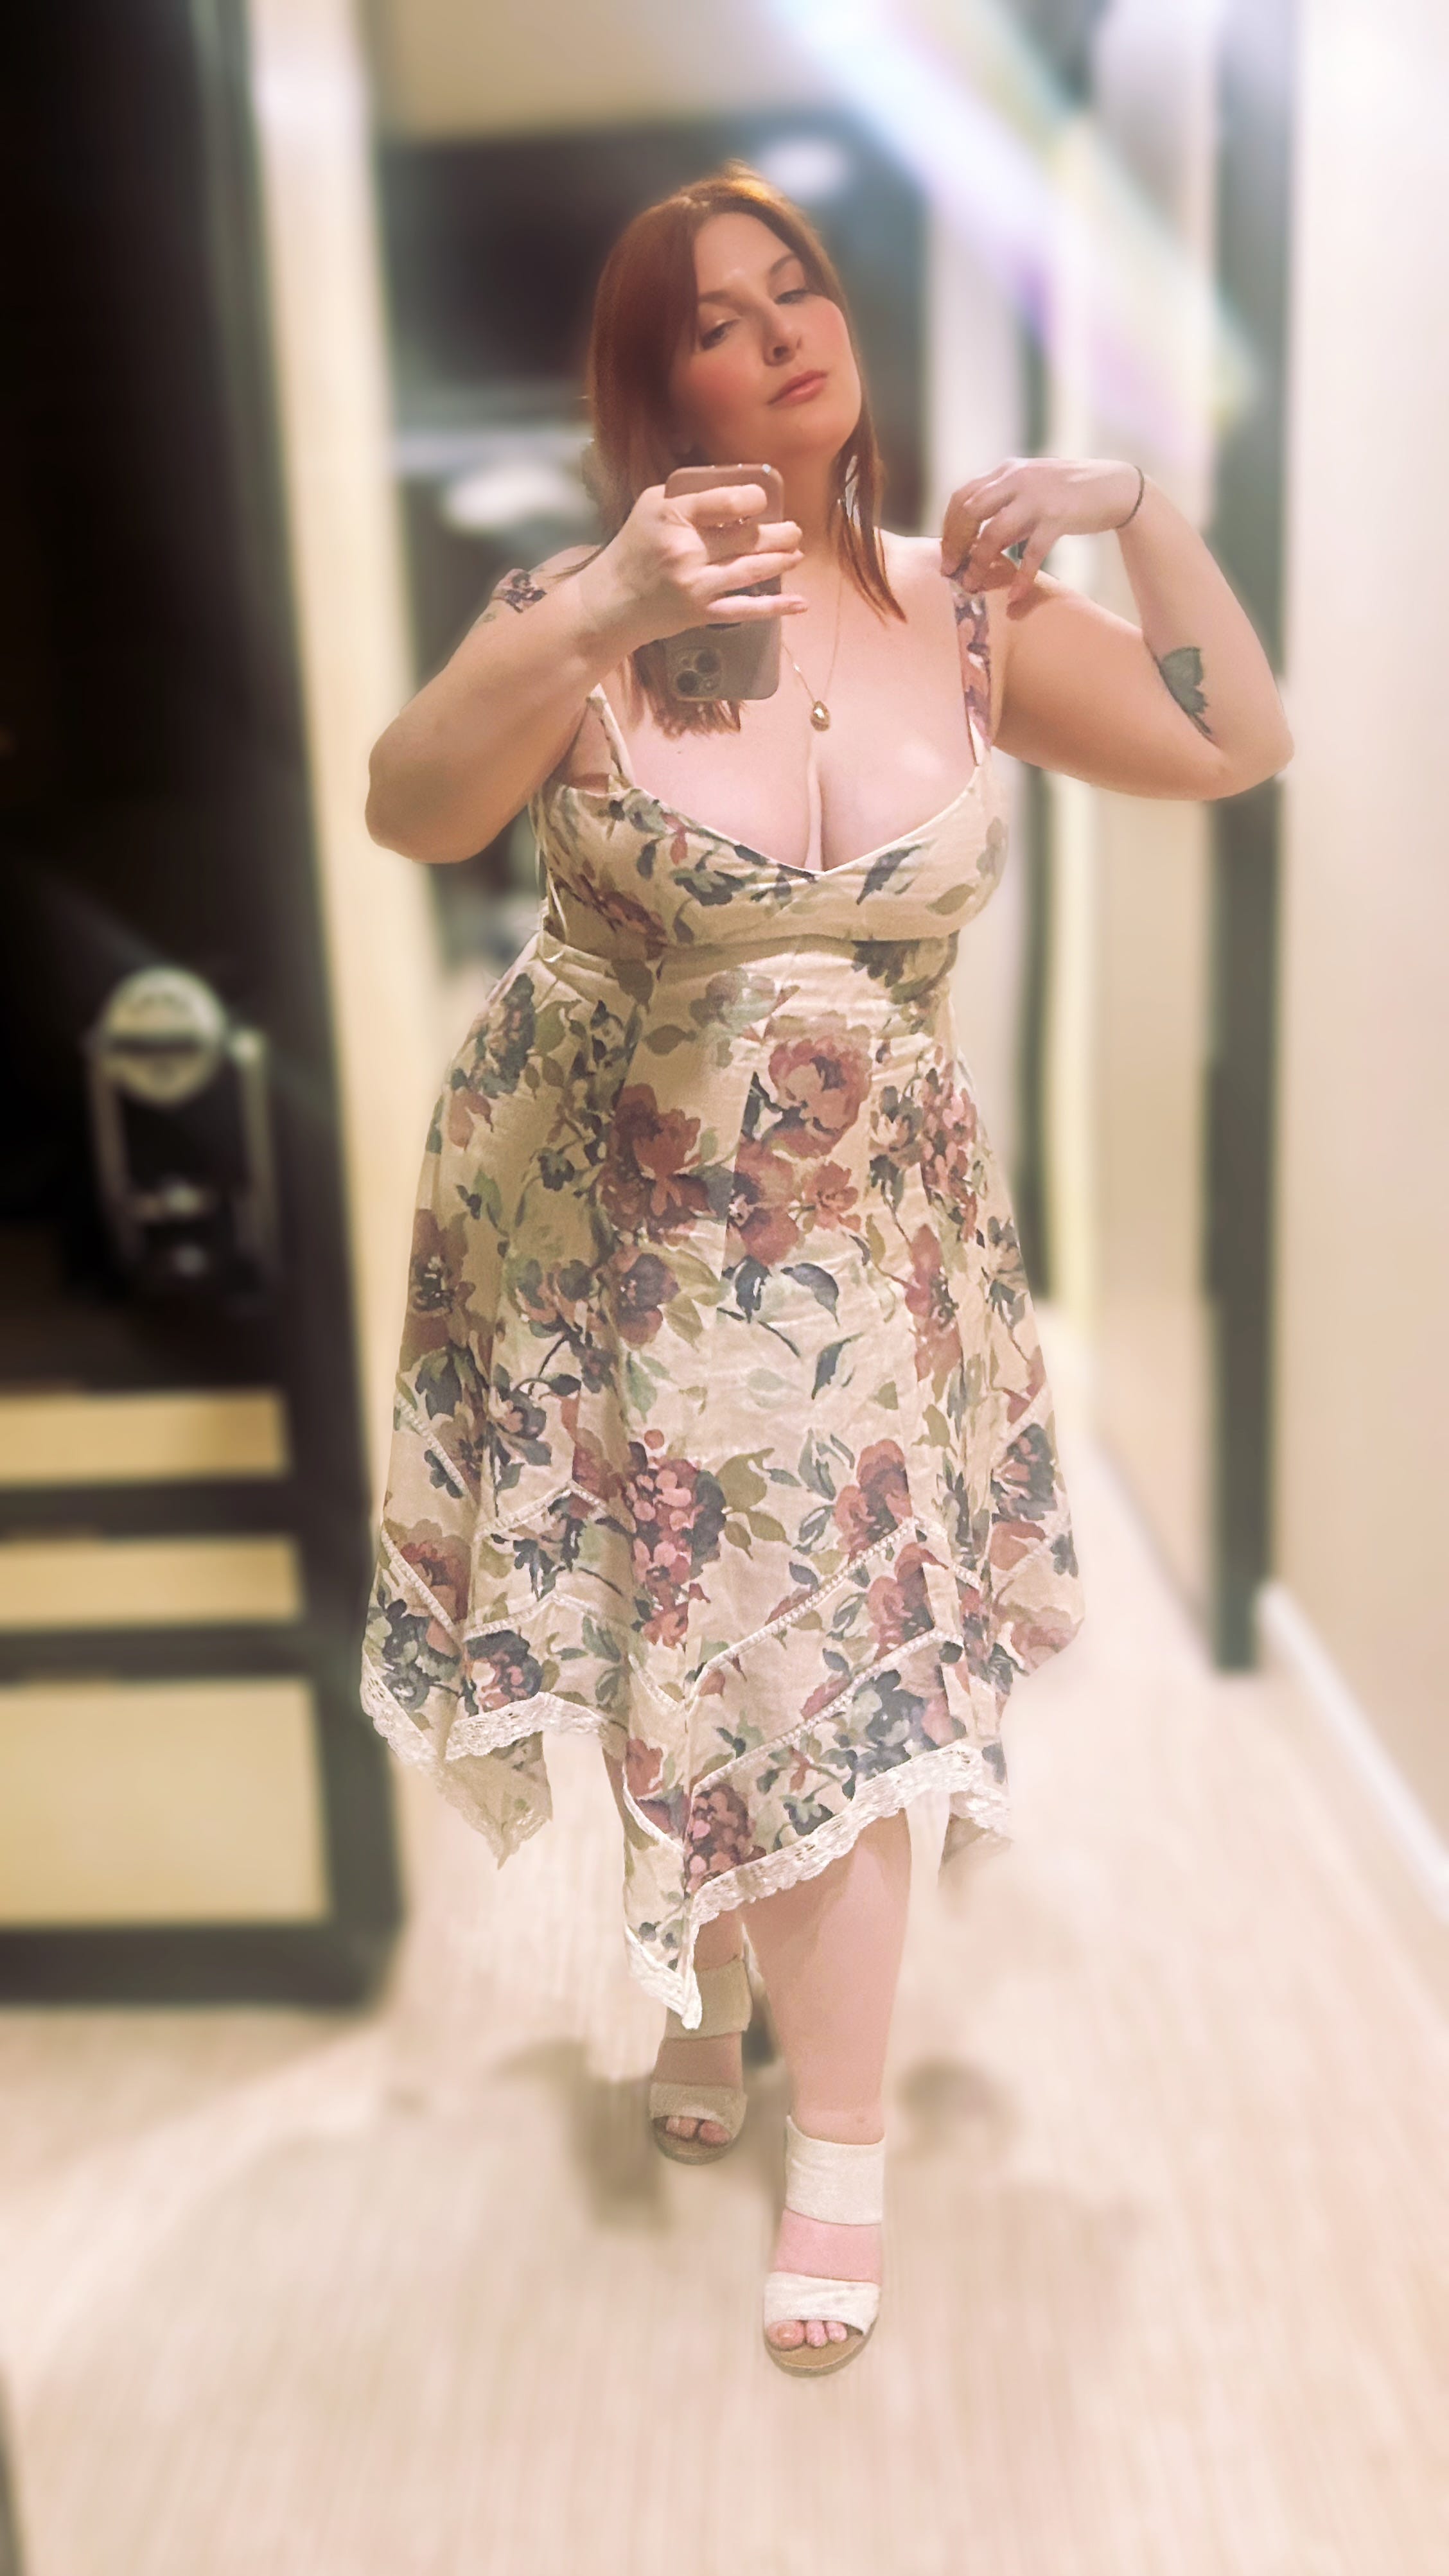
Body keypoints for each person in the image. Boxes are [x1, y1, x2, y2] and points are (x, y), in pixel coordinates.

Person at [360, 166, 1294, 2378]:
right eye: (719, 317)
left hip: (875, 1237)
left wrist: (1139, 508)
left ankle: (840, 2139)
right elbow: (412, 808)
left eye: (802, 290)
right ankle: (704, 1976)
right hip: (616, 1218)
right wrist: (597, 607)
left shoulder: (966, 617)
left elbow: (1230, 739)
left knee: (837, 1657)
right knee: (671, 1618)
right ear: (654, 387)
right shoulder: (580, 614)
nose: (785, 332)